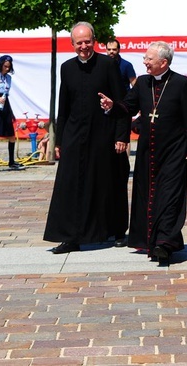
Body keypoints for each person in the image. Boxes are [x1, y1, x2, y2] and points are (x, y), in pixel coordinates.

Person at [99, 41, 187, 264]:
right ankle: (149, 240)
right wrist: (112, 106)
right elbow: (129, 106)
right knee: (147, 195)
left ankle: (165, 243)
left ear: (163, 62)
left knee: (169, 197)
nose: (144, 62)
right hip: (148, 151)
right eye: (145, 58)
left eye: (149, 59)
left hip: (174, 151)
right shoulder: (143, 82)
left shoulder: (181, 83)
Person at [43, 22, 129, 254]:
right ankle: (71, 237)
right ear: (72, 44)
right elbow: (64, 105)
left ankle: (117, 231)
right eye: (79, 42)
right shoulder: (67, 67)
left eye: (87, 42)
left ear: (94, 41)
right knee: (71, 186)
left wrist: (122, 135)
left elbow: (122, 102)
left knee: (108, 183)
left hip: (103, 134)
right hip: (74, 135)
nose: (84, 47)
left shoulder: (108, 64)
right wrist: (59, 141)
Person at [106, 37, 137, 247]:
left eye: (114, 49)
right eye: (109, 49)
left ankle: (118, 229)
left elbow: (134, 85)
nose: (111, 52)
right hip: (107, 116)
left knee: (120, 168)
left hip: (123, 113)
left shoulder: (125, 66)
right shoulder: (102, 65)